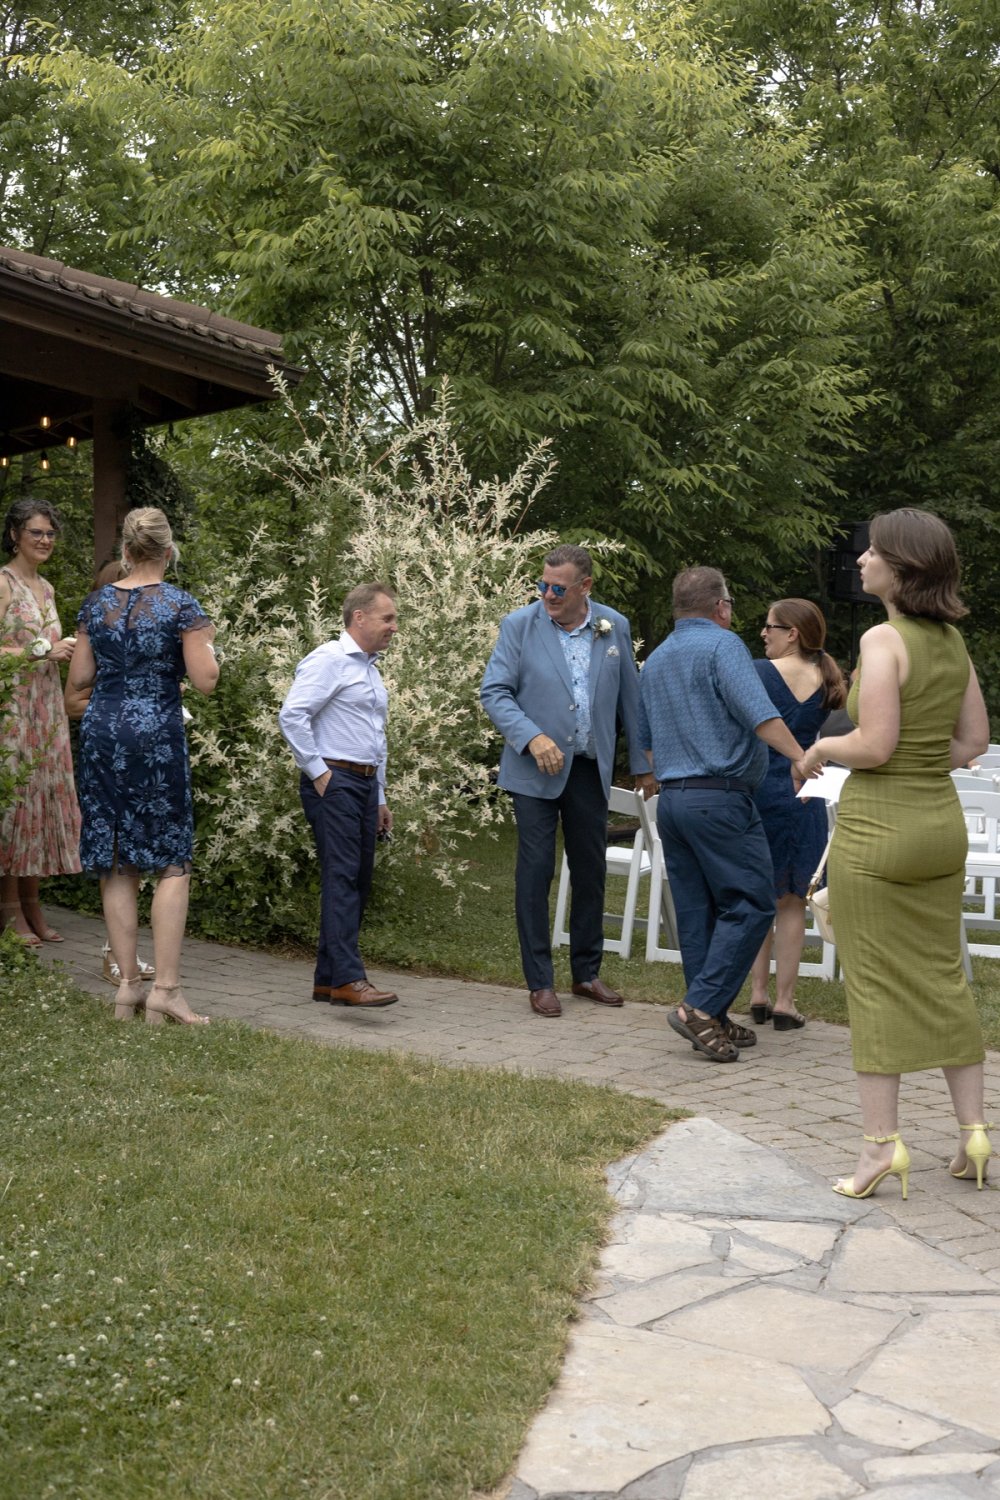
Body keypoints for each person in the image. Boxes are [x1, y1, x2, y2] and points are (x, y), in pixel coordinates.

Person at [801, 509, 992, 1198]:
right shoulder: (951, 642)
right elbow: (973, 742)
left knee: (875, 985)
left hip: (879, 831)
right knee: (944, 976)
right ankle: (975, 1135)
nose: (861, 560)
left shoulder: (883, 640)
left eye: (873, 551)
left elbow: (875, 745)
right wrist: (918, 760)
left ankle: (880, 1148)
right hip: (939, 827)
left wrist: (821, 746)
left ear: (902, 567)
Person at [638, 567, 816, 1062]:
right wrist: (800, 757)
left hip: (673, 801)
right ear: (720, 607)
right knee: (754, 901)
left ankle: (711, 1014)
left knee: (699, 913)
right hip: (720, 798)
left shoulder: (656, 659)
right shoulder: (724, 646)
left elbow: (646, 743)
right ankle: (698, 1008)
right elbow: (760, 715)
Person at [480, 543, 655, 1018]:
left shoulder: (613, 625)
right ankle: (540, 981)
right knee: (537, 870)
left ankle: (586, 973)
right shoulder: (520, 625)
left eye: (558, 588)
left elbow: (632, 700)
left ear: (585, 587)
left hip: (588, 767)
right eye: (543, 585)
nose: (547, 594)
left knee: (590, 870)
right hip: (534, 769)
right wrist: (532, 737)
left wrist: (644, 764)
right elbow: (494, 692)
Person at [67, 506, 219, 1024]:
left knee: (116, 858)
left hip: (102, 733)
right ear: (168, 551)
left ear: (126, 551)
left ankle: (128, 987)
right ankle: (166, 991)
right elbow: (206, 680)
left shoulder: (96, 605)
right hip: (154, 734)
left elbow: (80, 679)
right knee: (171, 858)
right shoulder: (180, 605)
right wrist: (207, 645)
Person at [278, 583, 399, 1008]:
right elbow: (292, 715)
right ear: (359, 617)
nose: (394, 627)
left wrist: (379, 796)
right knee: (343, 876)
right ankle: (349, 978)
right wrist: (319, 773)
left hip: (363, 783)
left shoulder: (370, 668)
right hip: (336, 780)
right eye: (387, 618)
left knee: (357, 879)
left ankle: (328, 980)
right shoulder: (329, 659)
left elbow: (375, 737)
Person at [749, 599, 847, 1031]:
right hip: (805, 792)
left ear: (792, 633)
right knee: (792, 903)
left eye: (770, 626)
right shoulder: (828, 677)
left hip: (760, 789)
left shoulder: (758, 672)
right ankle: (785, 1003)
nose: (763, 633)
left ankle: (757, 994)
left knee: (758, 897)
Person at [64, 557, 154, 987]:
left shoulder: (146, 643)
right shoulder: (96, 639)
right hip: (109, 755)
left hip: (143, 756)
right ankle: (114, 956)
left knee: (135, 856)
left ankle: (126, 954)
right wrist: (123, 710)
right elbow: (72, 702)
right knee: (115, 854)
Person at [0, 497, 81, 945]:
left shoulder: (46, 588)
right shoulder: (3, 583)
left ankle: (32, 903)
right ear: (15, 535)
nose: (45, 540)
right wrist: (41, 650)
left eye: (50, 533)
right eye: (36, 532)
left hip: (45, 709)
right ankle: (9, 909)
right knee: (15, 808)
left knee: (39, 803)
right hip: (12, 710)